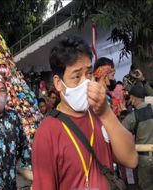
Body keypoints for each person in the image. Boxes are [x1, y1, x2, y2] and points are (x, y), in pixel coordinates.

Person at [32, 36, 138, 189]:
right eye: (76, 76)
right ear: (58, 83)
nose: (85, 82)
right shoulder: (47, 133)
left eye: (88, 73)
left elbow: (131, 159)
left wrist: (106, 112)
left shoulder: (99, 113)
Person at [122, 85, 153, 190]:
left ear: (133, 98)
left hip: (144, 159)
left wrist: (123, 113)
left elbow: (121, 132)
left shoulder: (132, 117)